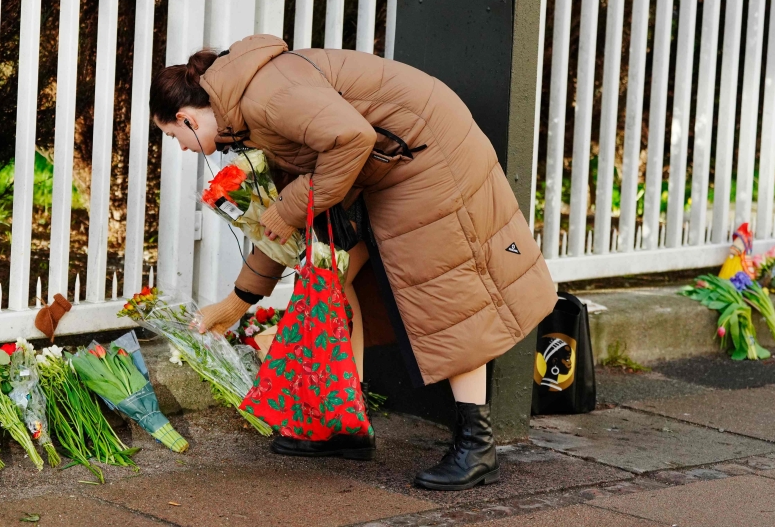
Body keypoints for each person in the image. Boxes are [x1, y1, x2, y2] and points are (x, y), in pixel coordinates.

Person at [149, 34, 557, 491]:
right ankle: (346, 423)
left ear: (186, 117)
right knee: (333, 280)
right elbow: (289, 224)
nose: (181, 147)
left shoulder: (267, 96)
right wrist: (236, 302)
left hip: (428, 157)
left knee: (445, 298)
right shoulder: (247, 115)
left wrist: (286, 209)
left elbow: (351, 138)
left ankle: (477, 446)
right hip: (389, 161)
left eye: (173, 135)